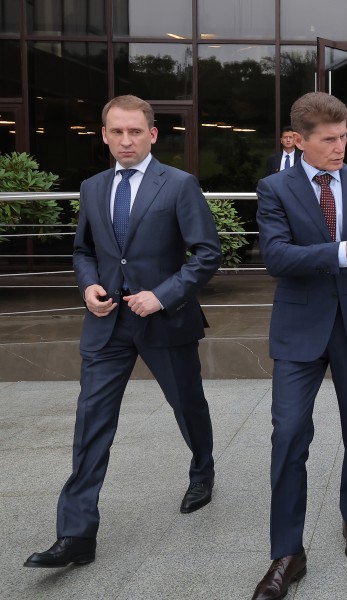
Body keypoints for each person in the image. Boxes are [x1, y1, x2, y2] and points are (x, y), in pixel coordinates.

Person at [23, 95, 222, 568]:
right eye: (117, 132)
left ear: (152, 134)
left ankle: (203, 467)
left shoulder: (179, 184)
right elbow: (83, 250)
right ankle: (76, 534)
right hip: (106, 323)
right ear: (105, 135)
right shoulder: (92, 187)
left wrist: (162, 295)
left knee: (187, 405)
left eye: (135, 131)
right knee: (91, 421)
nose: (126, 140)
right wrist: (88, 285)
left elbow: (207, 253)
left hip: (165, 319)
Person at [251, 92, 347, 600]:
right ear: (298, 140)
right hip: (299, 327)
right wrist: (345, 250)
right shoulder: (275, 188)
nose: (340, 147)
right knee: (288, 434)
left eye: (343, 136)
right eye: (328, 140)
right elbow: (277, 257)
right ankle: (286, 553)